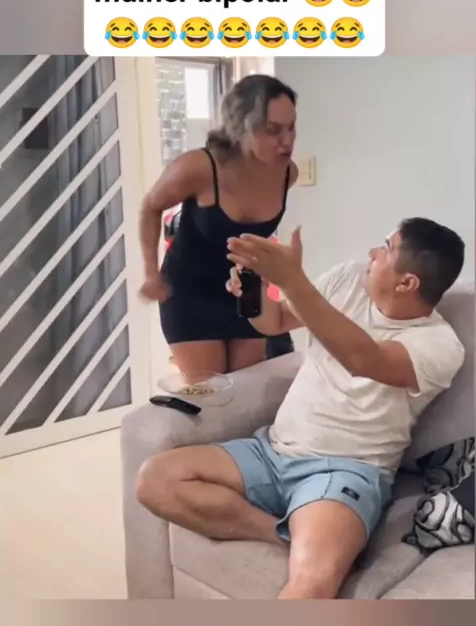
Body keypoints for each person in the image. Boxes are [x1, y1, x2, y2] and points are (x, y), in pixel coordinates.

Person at [135, 217, 466, 599]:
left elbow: (364, 358)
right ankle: (284, 532)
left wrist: (294, 281)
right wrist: (257, 289)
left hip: (344, 471)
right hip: (271, 452)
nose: (372, 253)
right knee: (155, 480)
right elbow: (275, 320)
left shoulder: (440, 346)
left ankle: (322, 538)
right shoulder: (349, 279)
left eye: (386, 248)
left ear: (407, 282)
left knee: (311, 586)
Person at [139, 73, 299, 375]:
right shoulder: (199, 167)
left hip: (245, 293)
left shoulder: (287, 174)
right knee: (211, 394)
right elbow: (151, 206)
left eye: (292, 127)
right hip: (190, 294)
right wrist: (150, 272)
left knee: (248, 392)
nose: (287, 140)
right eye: (273, 130)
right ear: (241, 128)